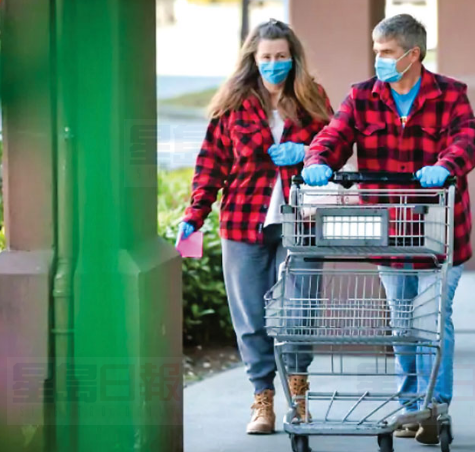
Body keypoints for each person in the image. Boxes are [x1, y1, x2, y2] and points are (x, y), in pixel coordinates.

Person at [301, 13, 475, 445]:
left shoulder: (451, 95)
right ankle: (409, 407)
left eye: (385, 52)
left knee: (432, 321)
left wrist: (445, 166)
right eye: (376, 51)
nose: (377, 59)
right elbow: (334, 134)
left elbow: (468, 141)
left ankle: (434, 409)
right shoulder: (362, 97)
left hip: (440, 233)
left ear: (412, 54)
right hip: (389, 234)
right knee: (403, 325)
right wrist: (317, 162)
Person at [177, 19, 333, 435]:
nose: (274, 64)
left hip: (301, 220)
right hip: (244, 222)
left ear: (293, 57)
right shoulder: (234, 104)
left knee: (299, 312)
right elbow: (210, 165)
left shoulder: (313, 98)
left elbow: (335, 146)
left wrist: (308, 151)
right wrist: (195, 215)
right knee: (251, 317)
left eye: (281, 56)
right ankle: (262, 398)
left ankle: (298, 395)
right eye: (266, 57)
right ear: (253, 59)